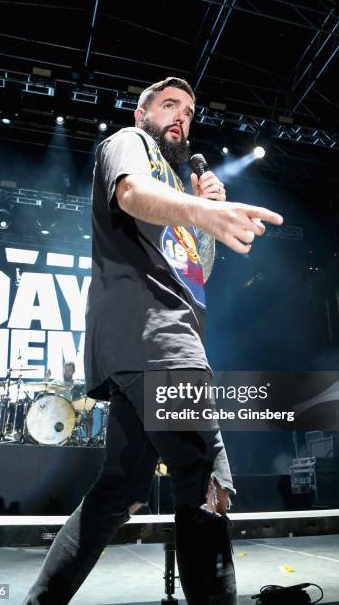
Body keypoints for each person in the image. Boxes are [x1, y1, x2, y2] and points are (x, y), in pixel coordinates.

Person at [24, 76, 283, 604]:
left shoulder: (176, 184)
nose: (180, 118)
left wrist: (201, 217)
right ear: (142, 113)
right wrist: (200, 209)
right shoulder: (129, 144)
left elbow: (196, 271)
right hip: (157, 338)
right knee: (205, 483)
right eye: (169, 106)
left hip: (143, 347)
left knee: (117, 492)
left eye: (187, 112)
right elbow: (131, 193)